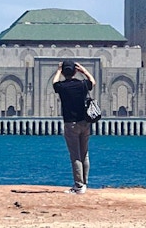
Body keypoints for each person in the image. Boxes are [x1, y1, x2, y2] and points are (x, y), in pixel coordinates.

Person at [53, 60, 96, 194]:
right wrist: (83, 70)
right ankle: (84, 183)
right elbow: (92, 82)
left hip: (71, 124)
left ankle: (78, 185)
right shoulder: (82, 84)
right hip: (85, 122)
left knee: (75, 155)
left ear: (64, 72)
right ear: (75, 71)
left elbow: (54, 83)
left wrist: (58, 70)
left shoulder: (62, 87)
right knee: (84, 154)